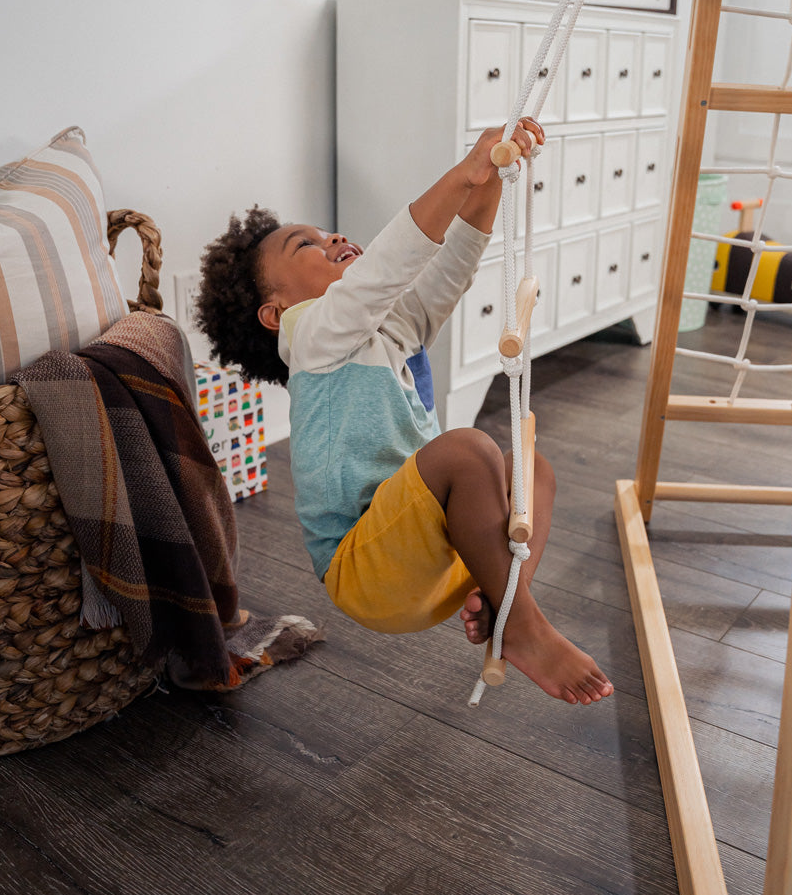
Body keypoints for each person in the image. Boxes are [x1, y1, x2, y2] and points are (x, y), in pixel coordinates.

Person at [196, 118, 613, 705]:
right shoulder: (311, 338)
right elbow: (385, 269)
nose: (334, 239)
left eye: (329, 233)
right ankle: (522, 626)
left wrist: (494, 176)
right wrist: (464, 173)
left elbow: (452, 264)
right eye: (308, 245)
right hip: (369, 572)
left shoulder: (387, 328)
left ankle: (502, 601)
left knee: (532, 469)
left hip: (436, 550)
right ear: (277, 311)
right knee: (467, 450)